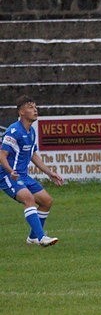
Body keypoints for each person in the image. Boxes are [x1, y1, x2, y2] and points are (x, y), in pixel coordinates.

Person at [0, 95, 62, 247]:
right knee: (29, 199)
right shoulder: (13, 131)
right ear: (21, 112)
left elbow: (33, 155)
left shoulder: (31, 132)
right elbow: (2, 155)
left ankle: (33, 237)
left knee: (47, 201)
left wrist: (49, 173)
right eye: (30, 107)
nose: (35, 110)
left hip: (23, 176)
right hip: (8, 174)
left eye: (35, 107)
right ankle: (42, 238)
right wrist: (10, 171)